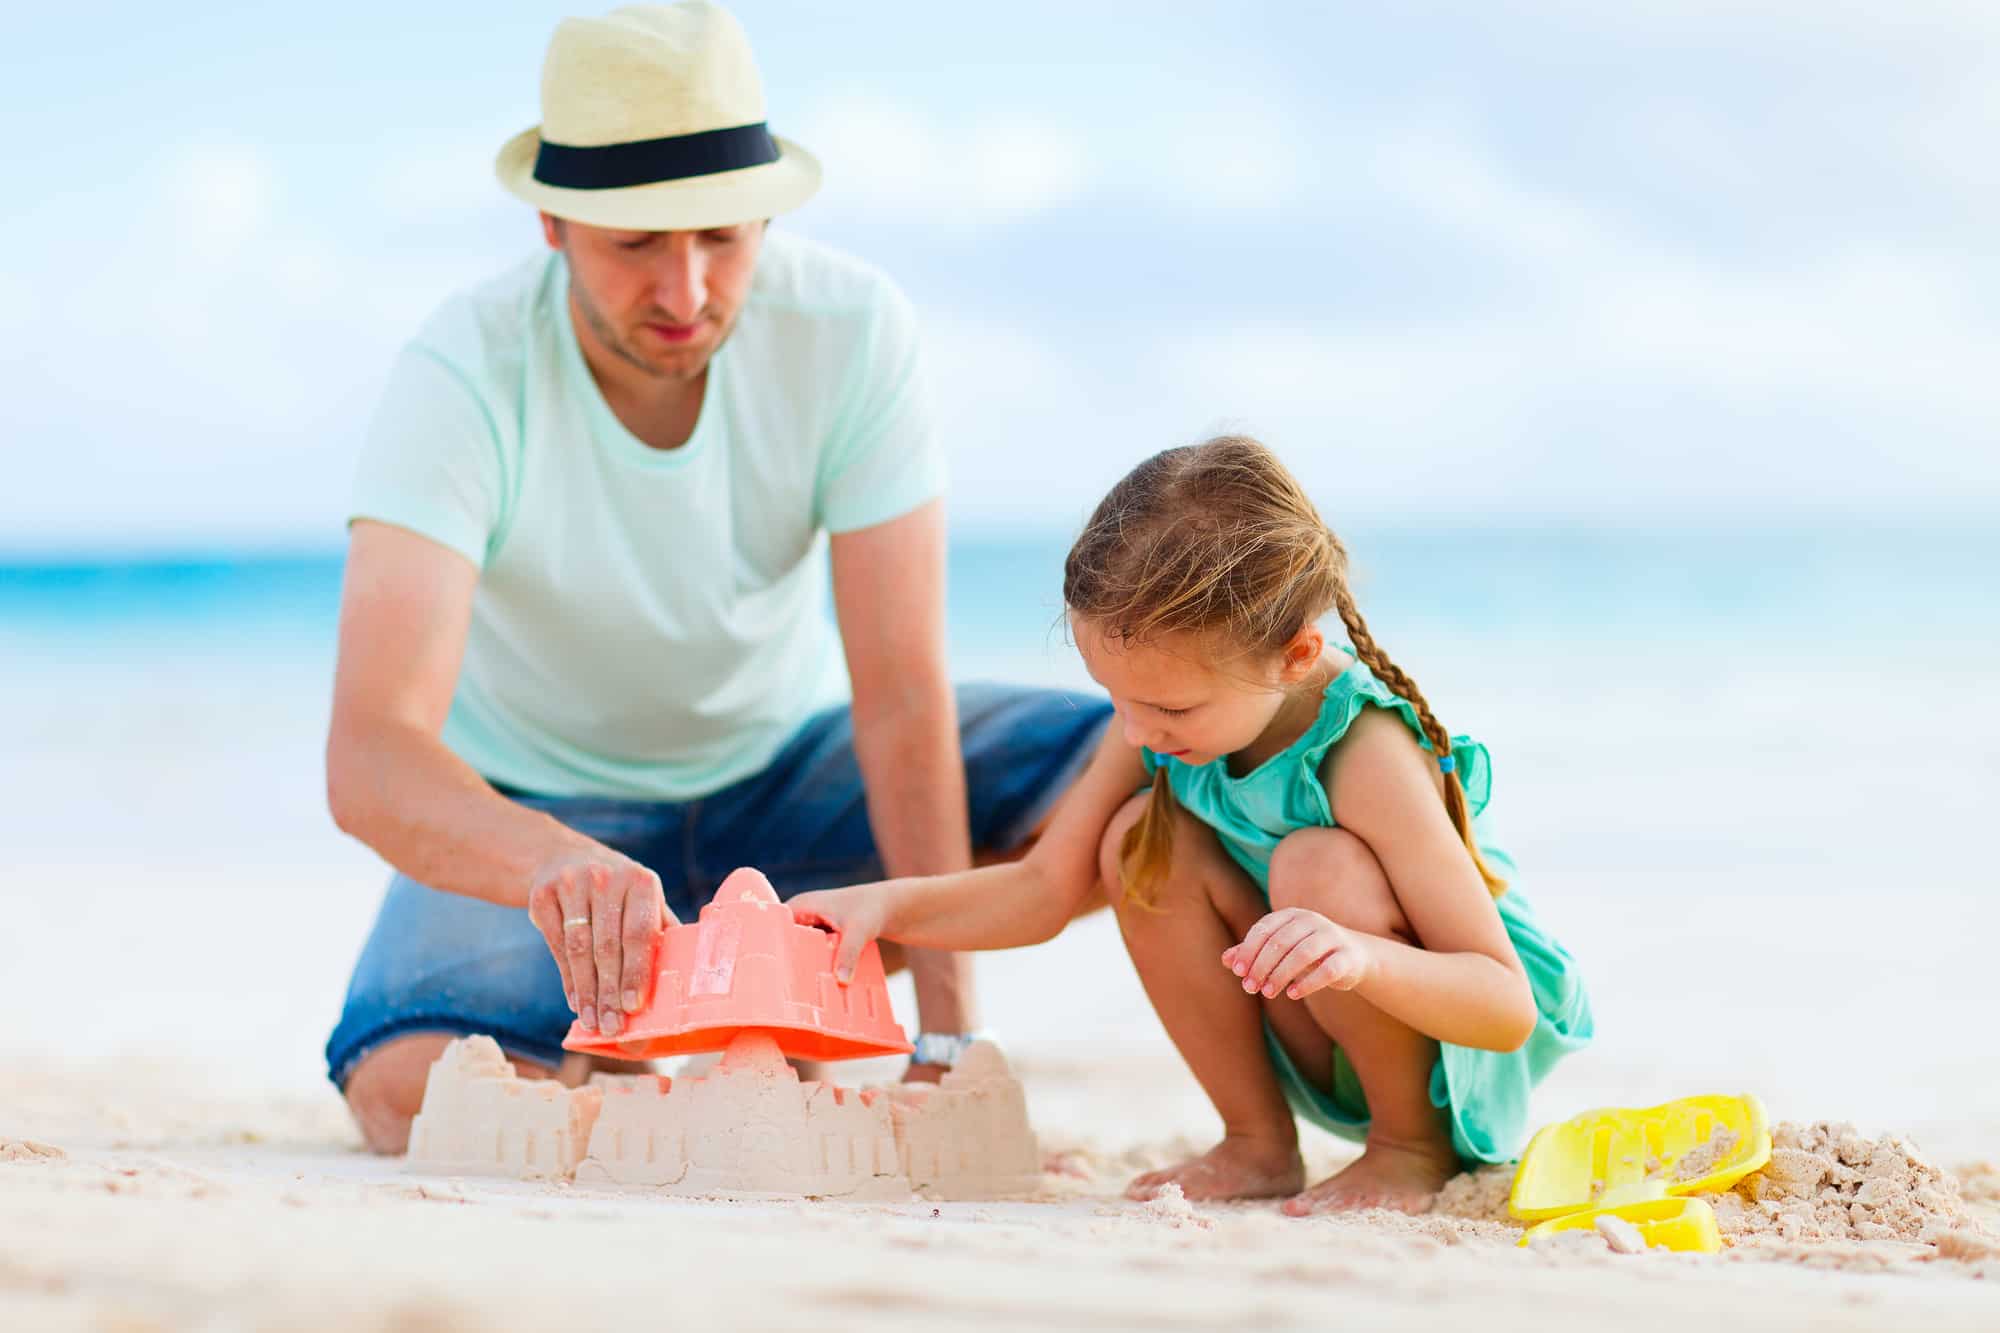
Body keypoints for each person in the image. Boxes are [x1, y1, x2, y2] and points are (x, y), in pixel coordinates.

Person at [322, 1, 1110, 1154]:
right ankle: (678, 1024)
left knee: (1146, 779)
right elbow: (371, 754)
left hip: (790, 778)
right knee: (408, 1086)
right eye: (637, 243)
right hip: (549, 807)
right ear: (553, 221)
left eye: (724, 236)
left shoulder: (851, 329)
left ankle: (762, 991)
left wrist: (941, 1044)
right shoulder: (461, 372)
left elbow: (899, 694)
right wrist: (557, 862)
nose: (687, 293)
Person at [792, 436, 1593, 1214]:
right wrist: (887, 906)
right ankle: (1256, 1139)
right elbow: (1042, 889)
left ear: (1295, 653)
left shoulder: (1365, 752)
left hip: (1446, 1045)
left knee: (1318, 867)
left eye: (1170, 708)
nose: (1138, 734)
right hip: (1318, 1016)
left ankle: (1409, 1148)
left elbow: (1503, 1003)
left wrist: (1359, 957)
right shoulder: (1165, 712)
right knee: (1136, 839)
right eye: (1118, 699)